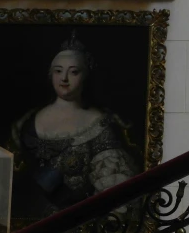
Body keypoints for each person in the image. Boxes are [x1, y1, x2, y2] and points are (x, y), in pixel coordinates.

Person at [10, 33, 138, 222]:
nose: (64, 79)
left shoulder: (100, 124)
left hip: (75, 227)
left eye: (74, 72)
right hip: (26, 228)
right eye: (58, 71)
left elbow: (115, 191)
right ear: (50, 74)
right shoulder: (25, 124)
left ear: (86, 76)